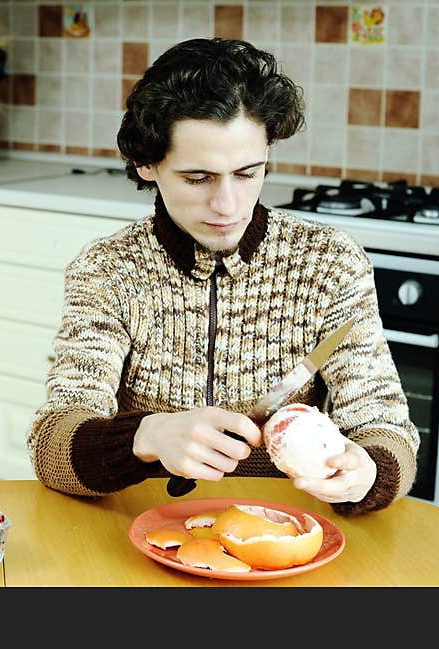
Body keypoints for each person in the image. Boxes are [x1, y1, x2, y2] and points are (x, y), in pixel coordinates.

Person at [26, 37, 419, 515]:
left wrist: (369, 472)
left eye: (248, 173)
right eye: (198, 178)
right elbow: (52, 447)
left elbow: (388, 430)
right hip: (142, 527)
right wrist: (145, 436)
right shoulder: (108, 269)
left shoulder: (330, 263)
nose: (228, 206)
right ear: (147, 164)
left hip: (286, 531)